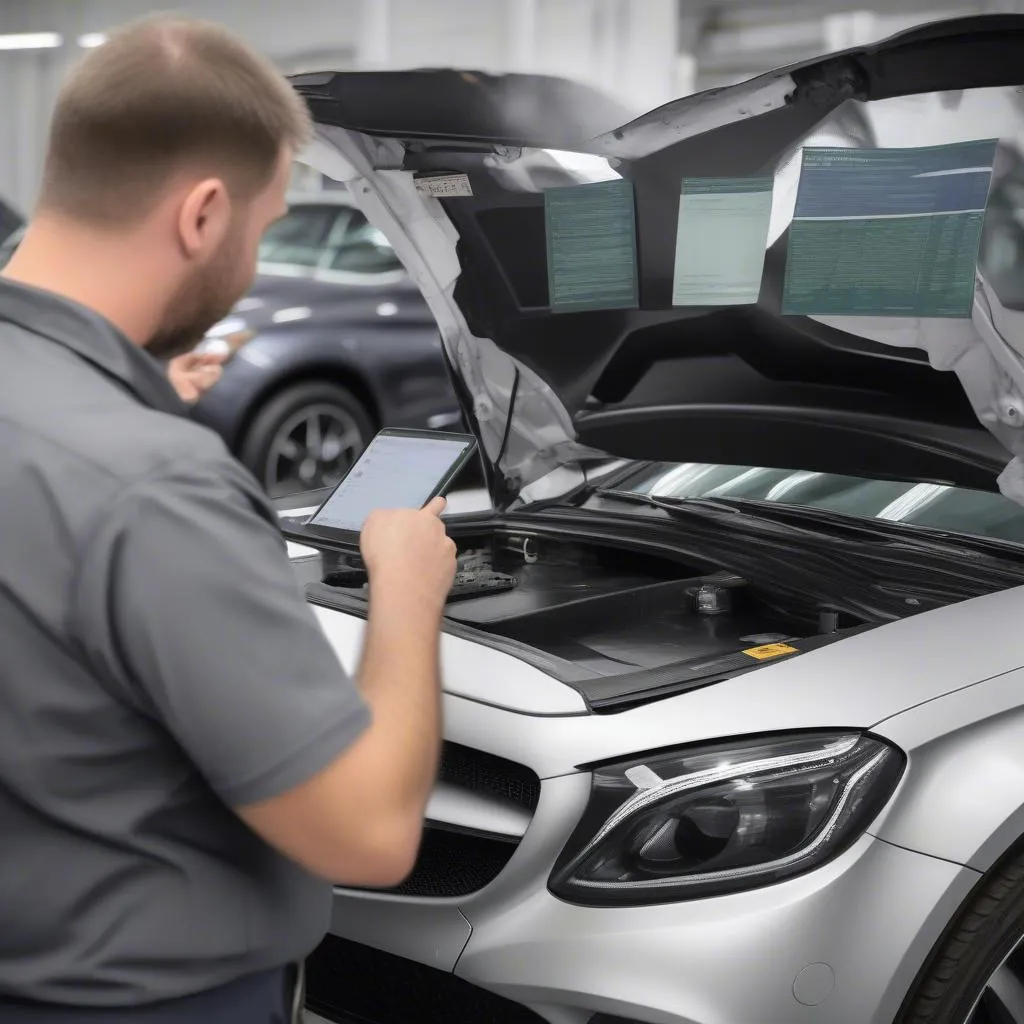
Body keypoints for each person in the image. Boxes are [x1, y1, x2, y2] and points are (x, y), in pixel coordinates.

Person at [0, 14, 456, 1024]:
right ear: (204, 214)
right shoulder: (156, 484)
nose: (251, 262)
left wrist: (136, 399)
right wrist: (407, 589)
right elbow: (370, 832)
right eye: (262, 229)